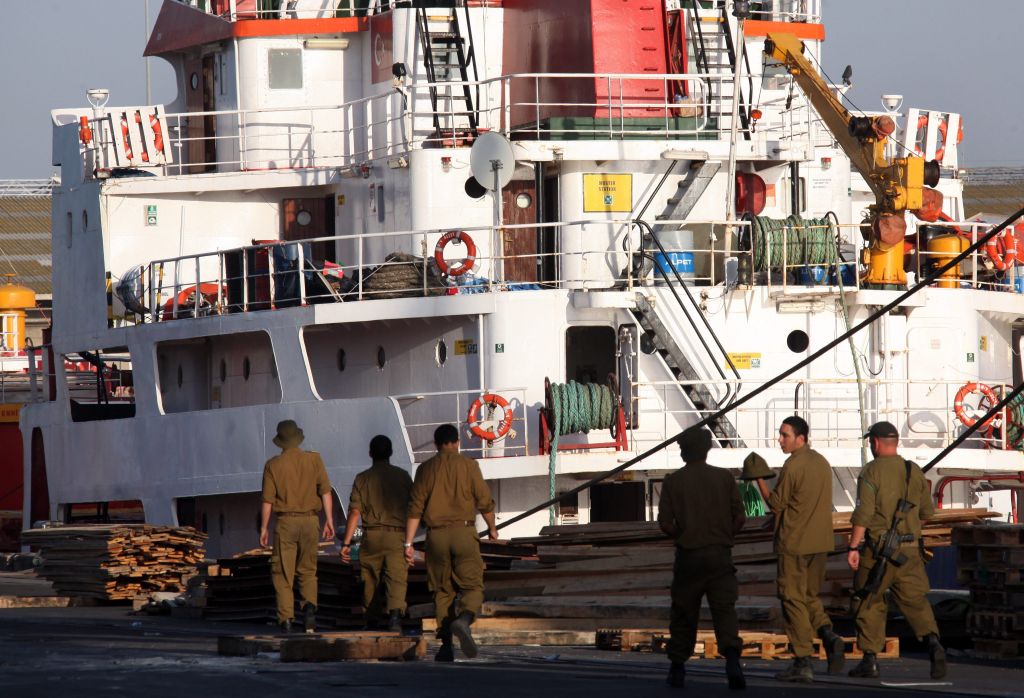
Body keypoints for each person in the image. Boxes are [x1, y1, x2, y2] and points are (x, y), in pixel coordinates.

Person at [847, 421, 946, 680]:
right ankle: (934, 644)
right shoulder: (912, 471)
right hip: (911, 550)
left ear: (876, 443)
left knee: (867, 599)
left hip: (879, 551)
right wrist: (909, 531)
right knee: (915, 602)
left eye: (871, 442)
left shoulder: (870, 472)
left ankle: (870, 660)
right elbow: (926, 513)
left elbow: (864, 514)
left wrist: (853, 546)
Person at [754, 415, 844, 682]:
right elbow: (802, 502)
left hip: (794, 544)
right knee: (808, 596)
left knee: (792, 599)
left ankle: (803, 660)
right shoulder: (821, 462)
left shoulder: (793, 465)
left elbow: (776, 503)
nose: (780, 440)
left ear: (800, 438)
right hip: (819, 542)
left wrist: (758, 479)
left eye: (785, 435)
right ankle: (828, 635)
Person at [657, 427, 746, 690]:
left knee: (684, 613)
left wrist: (683, 534)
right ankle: (732, 663)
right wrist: (723, 534)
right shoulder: (725, 478)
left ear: (685, 451)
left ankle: (677, 667)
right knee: (725, 612)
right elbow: (739, 518)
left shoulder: (673, 482)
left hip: (689, 558)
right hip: (720, 557)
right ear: (706, 449)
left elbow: (665, 523)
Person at [405, 424, 498, 662]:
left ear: (436, 445)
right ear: (457, 442)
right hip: (464, 533)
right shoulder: (469, 466)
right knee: (472, 586)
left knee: (442, 591)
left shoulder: (425, 469)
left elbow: (415, 508)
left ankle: (446, 646)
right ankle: (464, 619)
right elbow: (484, 501)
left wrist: (408, 543)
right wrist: (493, 529)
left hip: (435, 537)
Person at [259, 419, 335, 634]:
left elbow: (268, 501)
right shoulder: (314, 459)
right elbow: (326, 492)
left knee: (283, 573)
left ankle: (287, 620)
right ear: (298, 437)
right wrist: (329, 520)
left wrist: (264, 528)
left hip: (286, 522)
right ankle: (310, 609)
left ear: (280, 441)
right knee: (308, 570)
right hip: (311, 521)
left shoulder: (273, 465)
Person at [340, 435, 413, 632]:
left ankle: (371, 621)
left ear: (370, 454)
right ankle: (395, 618)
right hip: (397, 534)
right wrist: (409, 542)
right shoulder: (403, 476)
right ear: (390, 453)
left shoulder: (362, 479)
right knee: (396, 577)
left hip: (371, 535)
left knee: (369, 577)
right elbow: (413, 510)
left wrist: (346, 543)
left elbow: (355, 512)